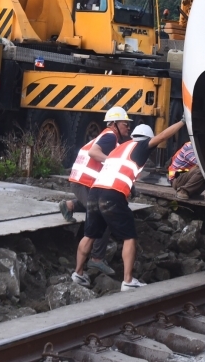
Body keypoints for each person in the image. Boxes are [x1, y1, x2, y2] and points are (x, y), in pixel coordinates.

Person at [93, 119, 186, 291]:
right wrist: (182, 121)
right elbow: (163, 136)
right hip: (113, 194)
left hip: (96, 191)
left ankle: (78, 273)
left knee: (90, 233)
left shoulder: (121, 147)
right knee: (129, 236)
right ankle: (128, 280)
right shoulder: (142, 146)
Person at [70, 106, 134, 287]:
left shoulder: (108, 136)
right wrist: (114, 163)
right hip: (83, 181)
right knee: (101, 217)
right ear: (114, 124)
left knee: (96, 210)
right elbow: (94, 153)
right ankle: (96, 258)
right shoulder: (110, 136)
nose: (127, 127)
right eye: (125, 124)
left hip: (82, 182)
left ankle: (69, 206)